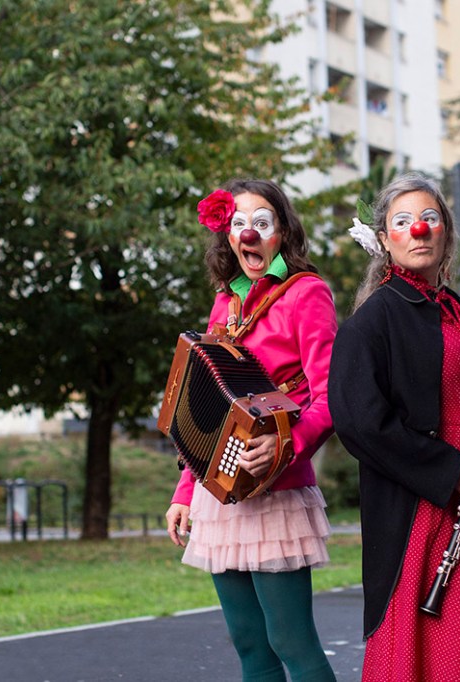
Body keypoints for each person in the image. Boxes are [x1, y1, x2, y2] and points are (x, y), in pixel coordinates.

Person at [328, 173, 460, 681]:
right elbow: (360, 422)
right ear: (384, 239)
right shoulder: (373, 321)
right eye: (402, 222)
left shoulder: (457, 310)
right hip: (424, 509)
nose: (418, 230)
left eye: (430, 218)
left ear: (446, 233)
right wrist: (447, 471)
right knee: (425, 652)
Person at [165, 179, 338, 682]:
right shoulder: (226, 304)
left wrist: (286, 444)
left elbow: (329, 397)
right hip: (218, 496)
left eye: (262, 222)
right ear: (226, 235)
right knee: (250, 647)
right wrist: (183, 492)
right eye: (239, 223)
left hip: (277, 493)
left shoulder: (306, 293)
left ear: (282, 231)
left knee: (291, 642)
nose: (250, 233)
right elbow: (204, 403)